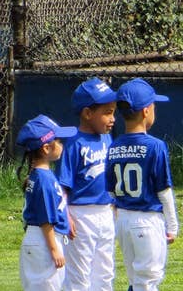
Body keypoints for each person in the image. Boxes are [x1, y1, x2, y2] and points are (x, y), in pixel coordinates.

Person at [105, 78, 179, 291]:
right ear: (146, 111)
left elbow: (110, 192)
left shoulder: (113, 146)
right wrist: (172, 226)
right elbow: (164, 190)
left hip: (123, 221)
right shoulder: (156, 146)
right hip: (147, 220)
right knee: (147, 281)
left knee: (136, 279)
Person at [56, 77, 117, 291]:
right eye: (107, 112)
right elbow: (63, 185)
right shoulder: (74, 143)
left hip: (105, 211)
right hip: (81, 214)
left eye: (113, 112)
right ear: (87, 113)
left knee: (105, 271)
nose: (112, 119)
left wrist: (114, 204)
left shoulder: (107, 139)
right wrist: (65, 215)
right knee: (79, 273)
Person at [16, 114, 77, 291]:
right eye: (58, 141)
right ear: (46, 148)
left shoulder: (41, 176)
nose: (62, 145)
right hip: (44, 243)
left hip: (38, 241)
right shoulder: (44, 179)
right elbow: (46, 219)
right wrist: (54, 249)